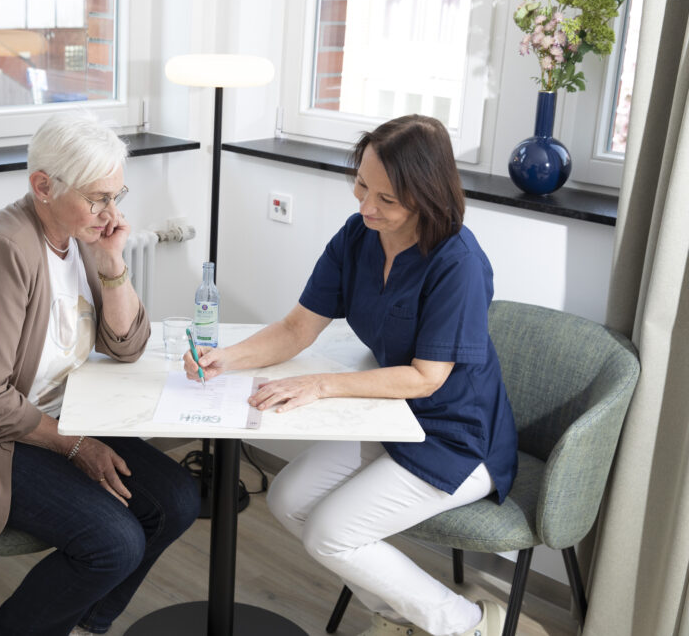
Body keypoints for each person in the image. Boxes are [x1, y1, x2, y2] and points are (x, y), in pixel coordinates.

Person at [184, 115, 517, 636]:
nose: (366, 207)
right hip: (389, 418)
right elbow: (297, 328)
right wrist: (225, 357)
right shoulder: (358, 236)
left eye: (386, 199)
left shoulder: (459, 262)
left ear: (426, 196)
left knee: (329, 534)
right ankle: (399, 618)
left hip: (457, 438)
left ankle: (471, 624)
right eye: (362, 185)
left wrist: (318, 385)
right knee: (288, 500)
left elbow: (426, 378)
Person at [0, 111, 199, 636]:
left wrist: (111, 263)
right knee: (114, 542)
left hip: (58, 414)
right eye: (97, 197)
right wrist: (77, 445)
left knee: (177, 500)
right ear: (42, 185)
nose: (109, 212)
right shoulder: (4, 249)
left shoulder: (81, 236)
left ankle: (84, 622)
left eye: (116, 196)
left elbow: (127, 346)